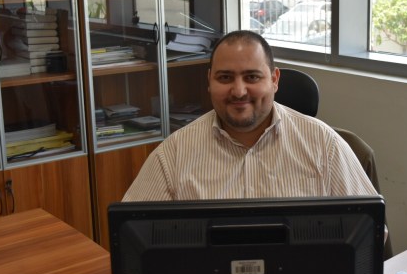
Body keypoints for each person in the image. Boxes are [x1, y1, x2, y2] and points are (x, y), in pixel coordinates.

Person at [122, 30, 378, 201]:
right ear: (209, 81)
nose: (239, 91)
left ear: (274, 80)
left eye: (252, 77)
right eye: (225, 77)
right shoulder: (174, 154)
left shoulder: (324, 145)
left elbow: (369, 231)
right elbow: (134, 236)